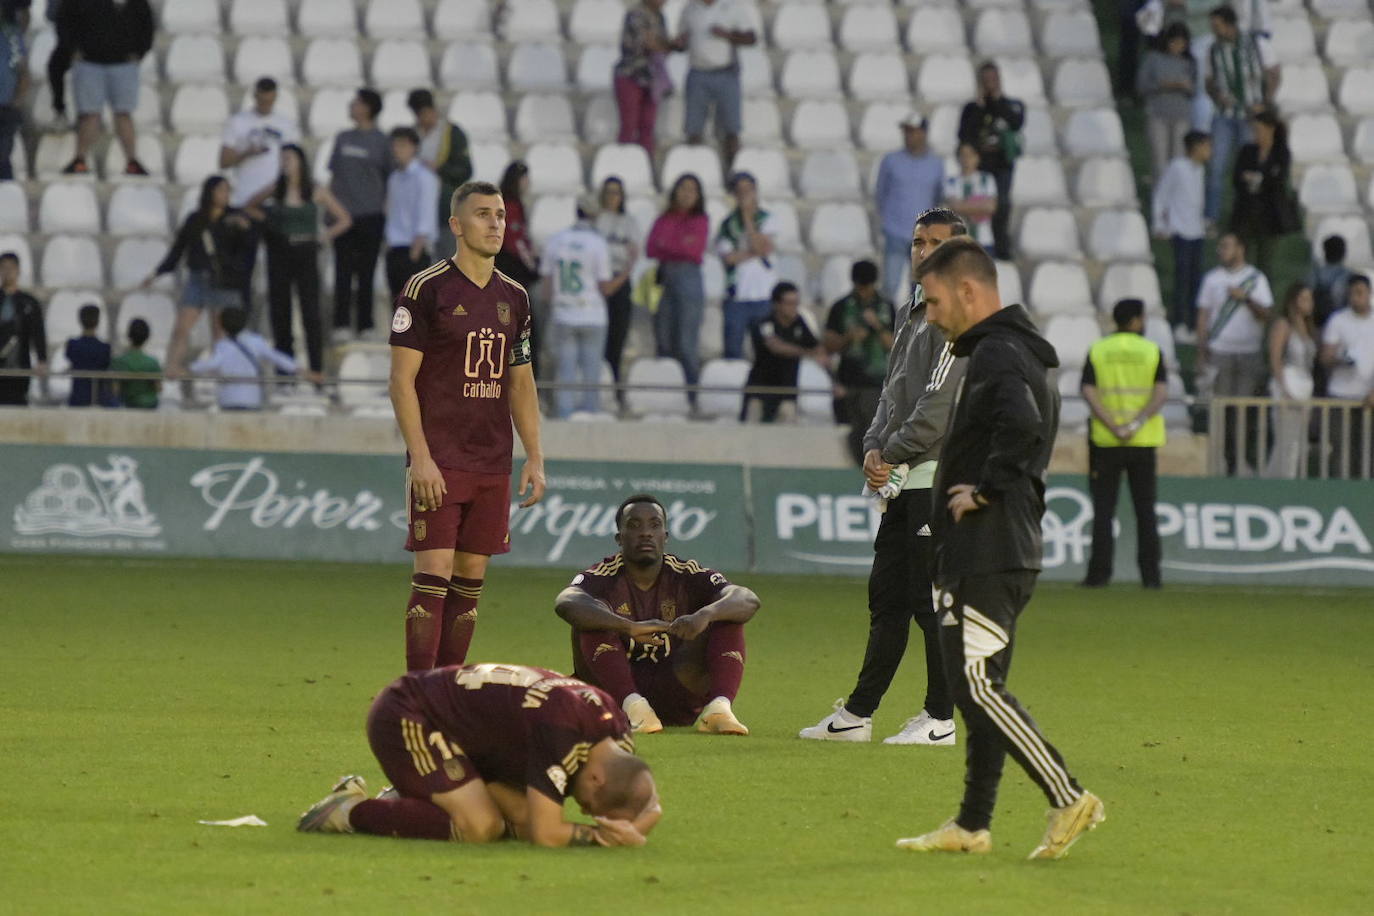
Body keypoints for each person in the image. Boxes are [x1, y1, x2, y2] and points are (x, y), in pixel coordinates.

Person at [896, 237, 1103, 861]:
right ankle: (972, 824)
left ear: (968, 291)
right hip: (991, 549)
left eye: (932, 301)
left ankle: (1069, 796)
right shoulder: (1014, 351)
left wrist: (984, 490)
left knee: (977, 687)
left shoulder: (999, 354)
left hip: (989, 550)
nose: (928, 314)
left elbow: (1021, 426)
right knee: (976, 690)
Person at [799, 209, 967, 747]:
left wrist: (889, 451)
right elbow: (894, 392)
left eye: (937, 243)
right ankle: (857, 715)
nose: (924, 250)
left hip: (936, 476)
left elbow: (938, 405)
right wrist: (874, 445)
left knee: (927, 603)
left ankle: (940, 719)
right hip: (902, 476)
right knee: (887, 599)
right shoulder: (911, 310)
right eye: (918, 241)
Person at [388, 180, 546, 673]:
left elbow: (521, 383)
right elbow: (400, 381)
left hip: (492, 462)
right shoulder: (424, 289)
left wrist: (535, 457)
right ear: (456, 225)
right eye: (483, 214)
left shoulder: (516, 298)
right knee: (433, 573)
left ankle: (449, 686)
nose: (495, 223)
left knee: (471, 579)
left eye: (499, 215)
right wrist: (421, 458)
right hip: (440, 459)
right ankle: (418, 690)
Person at [297, 663, 660, 848]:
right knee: (481, 827)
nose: (582, 810)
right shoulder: (562, 732)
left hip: (464, 737)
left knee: (519, 818)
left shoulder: (615, 732)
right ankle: (346, 811)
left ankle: (414, 794)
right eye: (590, 806)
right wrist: (599, 837)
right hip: (408, 714)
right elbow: (549, 835)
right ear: (596, 778)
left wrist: (635, 824)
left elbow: (649, 800)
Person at [556, 494, 759, 735]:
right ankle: (635, 708)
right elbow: (566, 601)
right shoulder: (603, 575)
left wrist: (705, 614)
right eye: (634, 525)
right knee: (590, 617)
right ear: (619, 539)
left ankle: (718, 710)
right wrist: (626, 626)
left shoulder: (686, 574)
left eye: (655, 525)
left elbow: (747, 599)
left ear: (665, 536)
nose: (646, 533)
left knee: (728, 614)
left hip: (675, 691)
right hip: (616, 700)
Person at [1079, 299, 1168, 588]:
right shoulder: (1152, 351)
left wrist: (1112, 424)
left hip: (1106, 440)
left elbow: (1088, 390)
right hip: (1141, 441)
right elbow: (1161, 393)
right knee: (1145, 510)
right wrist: (1135, 424)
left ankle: (1098, 575)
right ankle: (1151, 577)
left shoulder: (1099, 349)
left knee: (1104, 511)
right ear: (1136, 321)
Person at [245, 144, 352, 378]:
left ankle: (316, 370)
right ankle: (285, 373)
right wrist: (268, 221)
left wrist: (322, 237)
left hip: (306, 250)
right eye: (283, 158)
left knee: (311, 313)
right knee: (280, 313)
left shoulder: (314, 190)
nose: (285, 163)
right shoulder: (277, 189)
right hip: (280, 251)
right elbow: (250, 205)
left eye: (289, 158)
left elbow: (344, 219)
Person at [145, 176, 256, 377]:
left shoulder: (235, 218)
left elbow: (245, 249)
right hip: (199, 277)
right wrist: (157, 272)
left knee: (220, 334)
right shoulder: (196, 220)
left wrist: (242, 229)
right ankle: (172, 369)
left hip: (224, 280)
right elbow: (178, 249)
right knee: (181, 328)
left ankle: (221, 375)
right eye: (221, 190)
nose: (225, 195)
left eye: (227, 191)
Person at [1196, 233, 1273, 475]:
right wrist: (1201, 351)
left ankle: (1239, 460)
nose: (1222, 251)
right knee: (1221, 409)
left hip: (1248, 352)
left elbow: (1265, 314)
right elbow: (1203, 316)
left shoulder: (1256, 278)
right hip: (1220, 350)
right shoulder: (1212, 279)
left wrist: (1245, 298)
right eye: (1220, 246)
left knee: (1243, 410)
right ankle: (1220, 459)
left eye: (1227, 246)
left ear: (1240, 249)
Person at [540, 194, 617, 418]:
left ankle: (564, 417)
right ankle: (589, 417)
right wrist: (628, 269)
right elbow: (605, 287)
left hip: (564, 313)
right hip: (592, 314)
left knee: (565, 373)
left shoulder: (555, 240)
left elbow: (546, 290)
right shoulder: (598, 243)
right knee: (590, 374)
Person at [55, 0, 154, 176]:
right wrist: (72, 49)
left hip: (123, 63)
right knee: (89, 114)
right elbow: (64, 19)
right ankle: (80, 160)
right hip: (89, 62)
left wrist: (140, 51)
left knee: (123, 113)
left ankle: (132, 161)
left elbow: (146, 23)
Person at [1204, 4, 1277, 224]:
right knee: (1216, 166)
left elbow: (1274, 73)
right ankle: (1211, 215)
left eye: (1217, 25)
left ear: (1229, 24)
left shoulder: (1257, 44)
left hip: (1252, 117)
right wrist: (1217, 96)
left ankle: (1244, 214)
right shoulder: (1213, 50)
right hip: (1224, 114)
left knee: (1248, 167)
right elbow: (1209, 82)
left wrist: (1265, 103)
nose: (1214, 30)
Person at [328, 88, 390, 339]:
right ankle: (341, 324)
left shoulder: (382, 141)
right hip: (343, 216)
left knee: (366, 273)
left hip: (371, 215)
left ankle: (366, 324)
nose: (351, 106)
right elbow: (335, 175)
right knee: (342, 272)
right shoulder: (343, 138)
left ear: (367, 108)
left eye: (356, 103)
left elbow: (389, 178)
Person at [823, 259, 895, 463]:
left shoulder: (886, 306)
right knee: (852, 431)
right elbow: (828, 345)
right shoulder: (841, 306)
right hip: (848, 381)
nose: (864, 292)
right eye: (860, 287)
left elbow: (896, 345)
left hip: (876, 383)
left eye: (867, 287)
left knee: (871, 433)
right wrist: (849, 337)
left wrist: (878, 327)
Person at [645, 173, 709, 391]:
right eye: (683, 188)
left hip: (688, 278)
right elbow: (651, 247)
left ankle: (692, 392)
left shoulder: (700, 220)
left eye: (692, 190)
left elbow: (692, 250)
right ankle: (666, 390)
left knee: (686, 342)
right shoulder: (664, 219)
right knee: (663, 338)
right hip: (664, 278)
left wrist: (668, 245)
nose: (686, 194)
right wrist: (677, 244)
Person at [676, 0, 756, 165]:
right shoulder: (689, 9)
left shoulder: (732, 7)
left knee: (731, 131)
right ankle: (695, 172)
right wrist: (680, 43)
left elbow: (751, 38)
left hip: (726, 73)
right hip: (697, 73)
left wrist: (728, 35)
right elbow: (682, 41)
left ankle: (733, 175)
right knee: (693, 130)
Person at [958, 63, 1025, 261]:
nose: (989, 84)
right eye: (985, 81)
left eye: (992, 80)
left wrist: (997, 100)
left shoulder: (1011, 105)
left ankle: (1002, 249)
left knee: (1001, 205)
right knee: (975, 207)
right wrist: (980, 106)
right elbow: (964, 134)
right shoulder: (972, 108)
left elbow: (1016, 122)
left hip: (1001, 167)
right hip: (978, 166)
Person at [876, 113, 945, 302]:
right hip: (895, 231)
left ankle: (913, 329)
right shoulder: (890, 161)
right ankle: (889, 327)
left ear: (923, 133)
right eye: (906, 131)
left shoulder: (936, 164)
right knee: (890, 285)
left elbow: (938, 197)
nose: (908, 136)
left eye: (912, 131)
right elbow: (880, 194)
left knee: (919, 287)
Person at [187, 305, 304, 411]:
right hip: (253, 399)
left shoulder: (222, 345)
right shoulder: (256, 341)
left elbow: (212, 363)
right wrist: (302, 371)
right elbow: (278, 358)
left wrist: (189, 369)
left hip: (228, 399)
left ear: (222, 325)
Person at [1152, 130, 1210, 341]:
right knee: (1182, 280)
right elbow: (1162, 195)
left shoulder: (1200, 170)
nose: (1209, 151)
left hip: (1196, 231)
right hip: (1180, 231)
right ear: (1195, 148)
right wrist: (1160, 223)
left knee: (1196, 280)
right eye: (1206, 146)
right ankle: (1178, 322)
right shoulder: (1177, 167)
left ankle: (1193, 323)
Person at [740, 281, 824, 423]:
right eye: (789, 303)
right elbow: (776, 348)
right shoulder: (764, 324)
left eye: (796, 303)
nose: (794, 308)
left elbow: (817, 348)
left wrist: (800, 350)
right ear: (777, 304)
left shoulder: (799, 323)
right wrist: (805, 352)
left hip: (787, 391)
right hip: (760, 391)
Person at [716, 171, 777, 360]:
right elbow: (729, 259)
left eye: (748, 190)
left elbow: (762, 247)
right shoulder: (727, 225)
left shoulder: (767, 219)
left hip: (764, 296)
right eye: (739, 191)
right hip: (736, 297)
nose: (744, 195)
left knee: (766, 353)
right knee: (733, 353)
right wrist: (755, 252)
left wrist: (748, 219)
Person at [407, 88, 471, 262]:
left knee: (446, 260)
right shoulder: (413, 134)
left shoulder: (452, 134)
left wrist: (438, 169)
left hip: (443, 206)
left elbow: (465, 170)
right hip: (416, 208)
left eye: (423, 113)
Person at [1320, 274, 1374, 478]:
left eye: (1360, 292)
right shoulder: (1338, 320)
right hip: (1341, 394)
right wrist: (1339, 359)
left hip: (1367, 396)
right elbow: (1326, 356)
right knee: (1340, 450)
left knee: (1367, 451)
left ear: (1369, 293)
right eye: (1352, 293)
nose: (1356, 297)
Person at [219, 77, 301, 210]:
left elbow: (295, 162)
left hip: (276, 198)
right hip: (245, 196)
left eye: (269, 101)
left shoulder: (287, 125)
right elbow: (223, 162)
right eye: (262, 101)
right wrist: (247, 153)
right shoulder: (237, 122)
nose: (265, 105)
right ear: (255, 96)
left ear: (275, 97)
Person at [1229, 107, 1290, 279]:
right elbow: (1237, 178)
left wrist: (1256, 179)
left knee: (1265, 262)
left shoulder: (1281, 154)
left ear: (1270, 129)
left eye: (1259, 129)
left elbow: (1277, 181)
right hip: (1245, 212)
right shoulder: (1247, 151)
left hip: (1269, 214)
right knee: (1240, 259)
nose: (1256, 134)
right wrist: (1259, 179)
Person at [595, 177, 640, 408]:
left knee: (617, 339)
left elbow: (633, 257)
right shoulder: (596, 222)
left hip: (620, 282)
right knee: (597, 338)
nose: (613, 197)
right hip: (598, 285)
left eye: (617, 192)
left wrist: (618, 280)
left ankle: (616, 388)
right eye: (609, 192)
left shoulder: (629, 222)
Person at [1265, 283, 1316, 479]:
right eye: (1303, 299)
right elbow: (1276, 358)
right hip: (1288, 384)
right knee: (1285, 441)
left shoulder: (1307, 329)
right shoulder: (1283, 325)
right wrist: (1283, 389)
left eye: (1310, 299)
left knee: (1298, 442)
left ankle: (1291, 479)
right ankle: (1277, 481)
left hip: (1304, 387)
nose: (1308, 303)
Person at [383, 127, 439, 300]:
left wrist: (416, 251)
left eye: (402, 145)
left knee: (415, 308)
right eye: (395, 145)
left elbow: (426, 214)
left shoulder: (424, 177)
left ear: (414, 147)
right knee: (398, 307)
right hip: (395, 248)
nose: (397, 150)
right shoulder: (394, 178)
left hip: (415, 249)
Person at [1137, 21, 1197, 183]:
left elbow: (1195, 90)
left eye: (1181, 43)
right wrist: (1162, 85)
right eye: (1175, 42)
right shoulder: (1153, 59)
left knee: (1178, 162)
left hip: (1181, 116)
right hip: (1158, 115)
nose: (1178, 47)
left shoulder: (1189, 62)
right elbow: (1141, 86)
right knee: (1159, 163)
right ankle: (1159, 203)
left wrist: (1185, 86)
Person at [613, 0, 674, 155]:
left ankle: (645, 165)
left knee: (648, 127)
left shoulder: (660, 17)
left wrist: (667, 45)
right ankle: (624, 162)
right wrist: (667, 45)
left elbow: (663, 47)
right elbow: (648, 44)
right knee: (629, 126)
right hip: (631, 76)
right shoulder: (636, 14)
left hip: (652, 78)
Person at [0, 251, 46, 406]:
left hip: (19, 363)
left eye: (11, 268)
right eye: (4, 268)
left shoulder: (29, 302)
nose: (7, 272)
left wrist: (42, 358)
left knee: (17, 402)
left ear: (18, 270)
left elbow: (38, 332)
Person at [1308, 235, 1349, 397]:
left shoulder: (1314, 275)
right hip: (1339, 330)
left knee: (1318, 368)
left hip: (1316, 326)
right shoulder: (1347, 276)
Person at [942, 143, 997, 255]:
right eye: (963, 155)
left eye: (970, 155)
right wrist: (979, 206)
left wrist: (963, 206)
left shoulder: (986, 179)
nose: (966, 160)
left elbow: (991, 207)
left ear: (977, 158)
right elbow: (954, 207)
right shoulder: (951, 182)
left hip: (983, 241)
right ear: (958, 158)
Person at [0, 0, 27, 181]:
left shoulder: (11, 33)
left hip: (5, 105)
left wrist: (16, 101)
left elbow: (23, 71)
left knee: (3, 158)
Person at [65, 303, 110, 407]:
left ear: (80, 320)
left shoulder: (72, 345)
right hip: (99, 398)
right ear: (98, 322)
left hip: (78, 396)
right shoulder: (104, 348)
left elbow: (70, 359)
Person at [110, 317, 159, 409]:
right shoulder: (152, 363)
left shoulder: (118, 362)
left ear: (129, 335)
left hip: (128, 404)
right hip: (149, 406)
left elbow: (115, 389)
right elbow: (158, 388)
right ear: (147, 336)